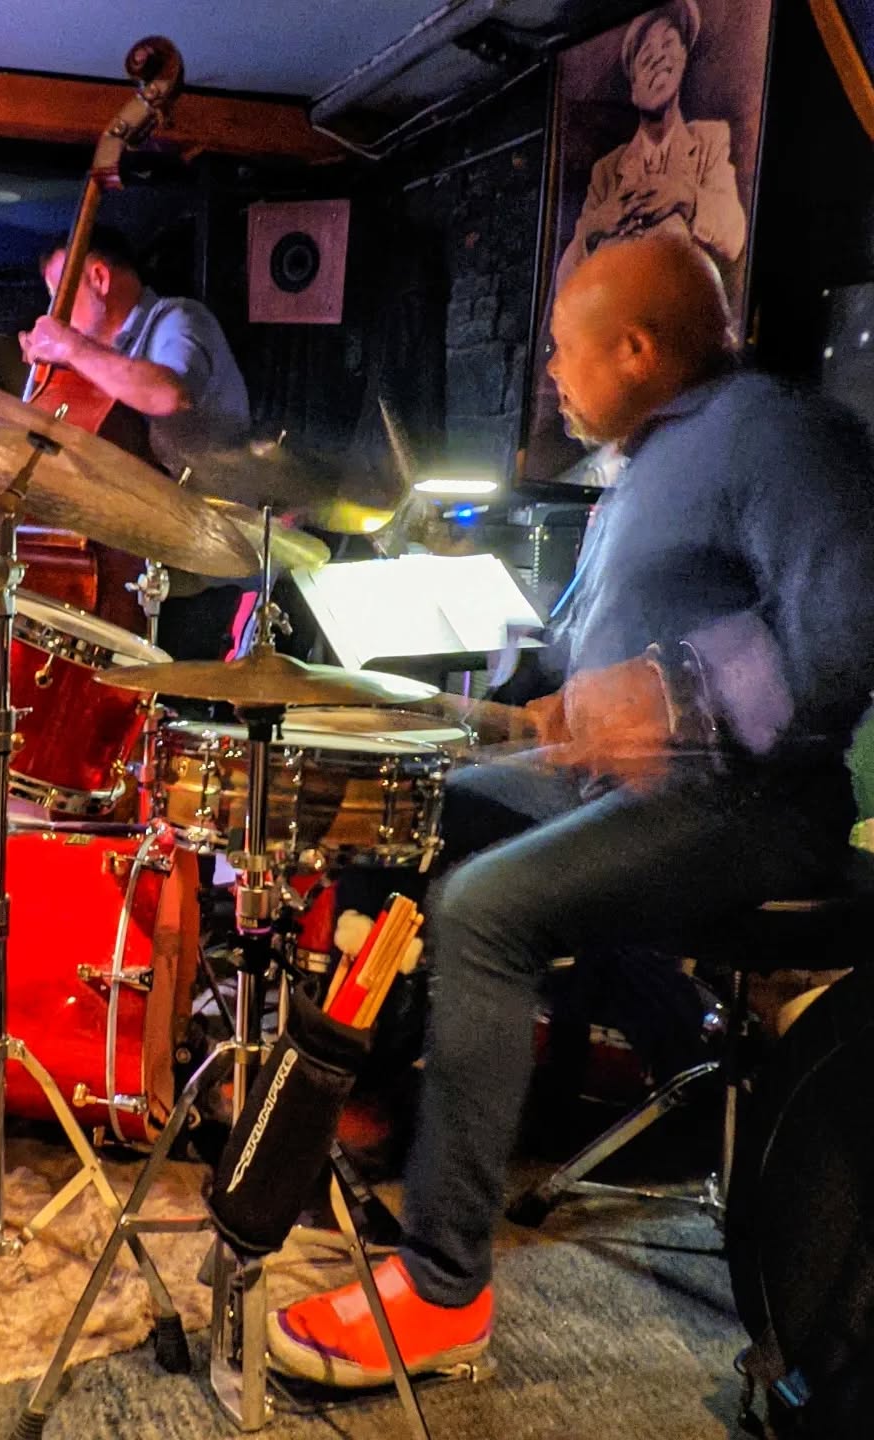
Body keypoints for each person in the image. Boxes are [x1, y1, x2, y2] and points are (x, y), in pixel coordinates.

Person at [268, 232, 874, 1385]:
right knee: (405, 809)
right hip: (635, 786)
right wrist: (549, 700)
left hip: (753, 804)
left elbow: (849, 628)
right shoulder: (649, 461)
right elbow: (606, 649)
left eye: (561, 349)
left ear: (635, 349)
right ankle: (376, 1113)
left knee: (487, 910)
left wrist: (677, 691)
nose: (550, 372)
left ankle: (443, 1290)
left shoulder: (772, 432)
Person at [0, 226, 252, 657]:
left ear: (99, 278)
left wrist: (71, 348)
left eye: (60, 296)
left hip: (193, 579)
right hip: (132, 571)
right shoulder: (96, 361)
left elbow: (168, 394)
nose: (55, 316)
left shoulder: (179, 319)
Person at [555, 0, 745, 293]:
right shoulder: (607, 170)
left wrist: (684, 197)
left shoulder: (710, 140)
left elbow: (734, 236)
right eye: (646, 57)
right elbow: (565, 288)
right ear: (633, 89)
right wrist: (594, 227)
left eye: (669, 44)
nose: (659, 58)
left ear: (684, 58)